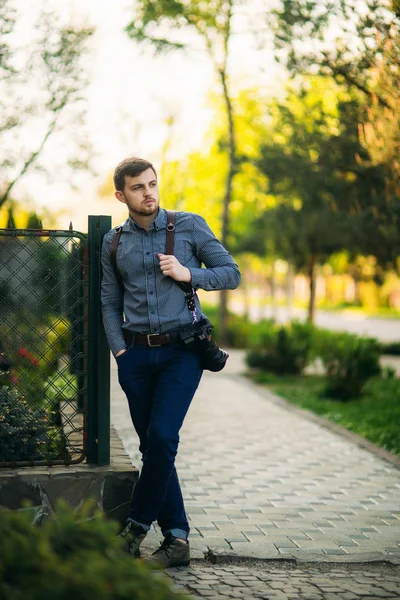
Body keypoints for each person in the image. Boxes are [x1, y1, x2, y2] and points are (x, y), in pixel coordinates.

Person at [101, 157, 241, 568]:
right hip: (136, 356)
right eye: (137, 187)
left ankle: (137, 527)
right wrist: (120, 353)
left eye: (152, 184)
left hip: (183, 351)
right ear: (120, 195)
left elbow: (231, 274)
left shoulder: (189, 226)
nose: (148, 193)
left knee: (162, 438)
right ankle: (177, 540)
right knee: (152, 448)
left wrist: (188, 273)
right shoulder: (112, 242)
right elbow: (109, 303)